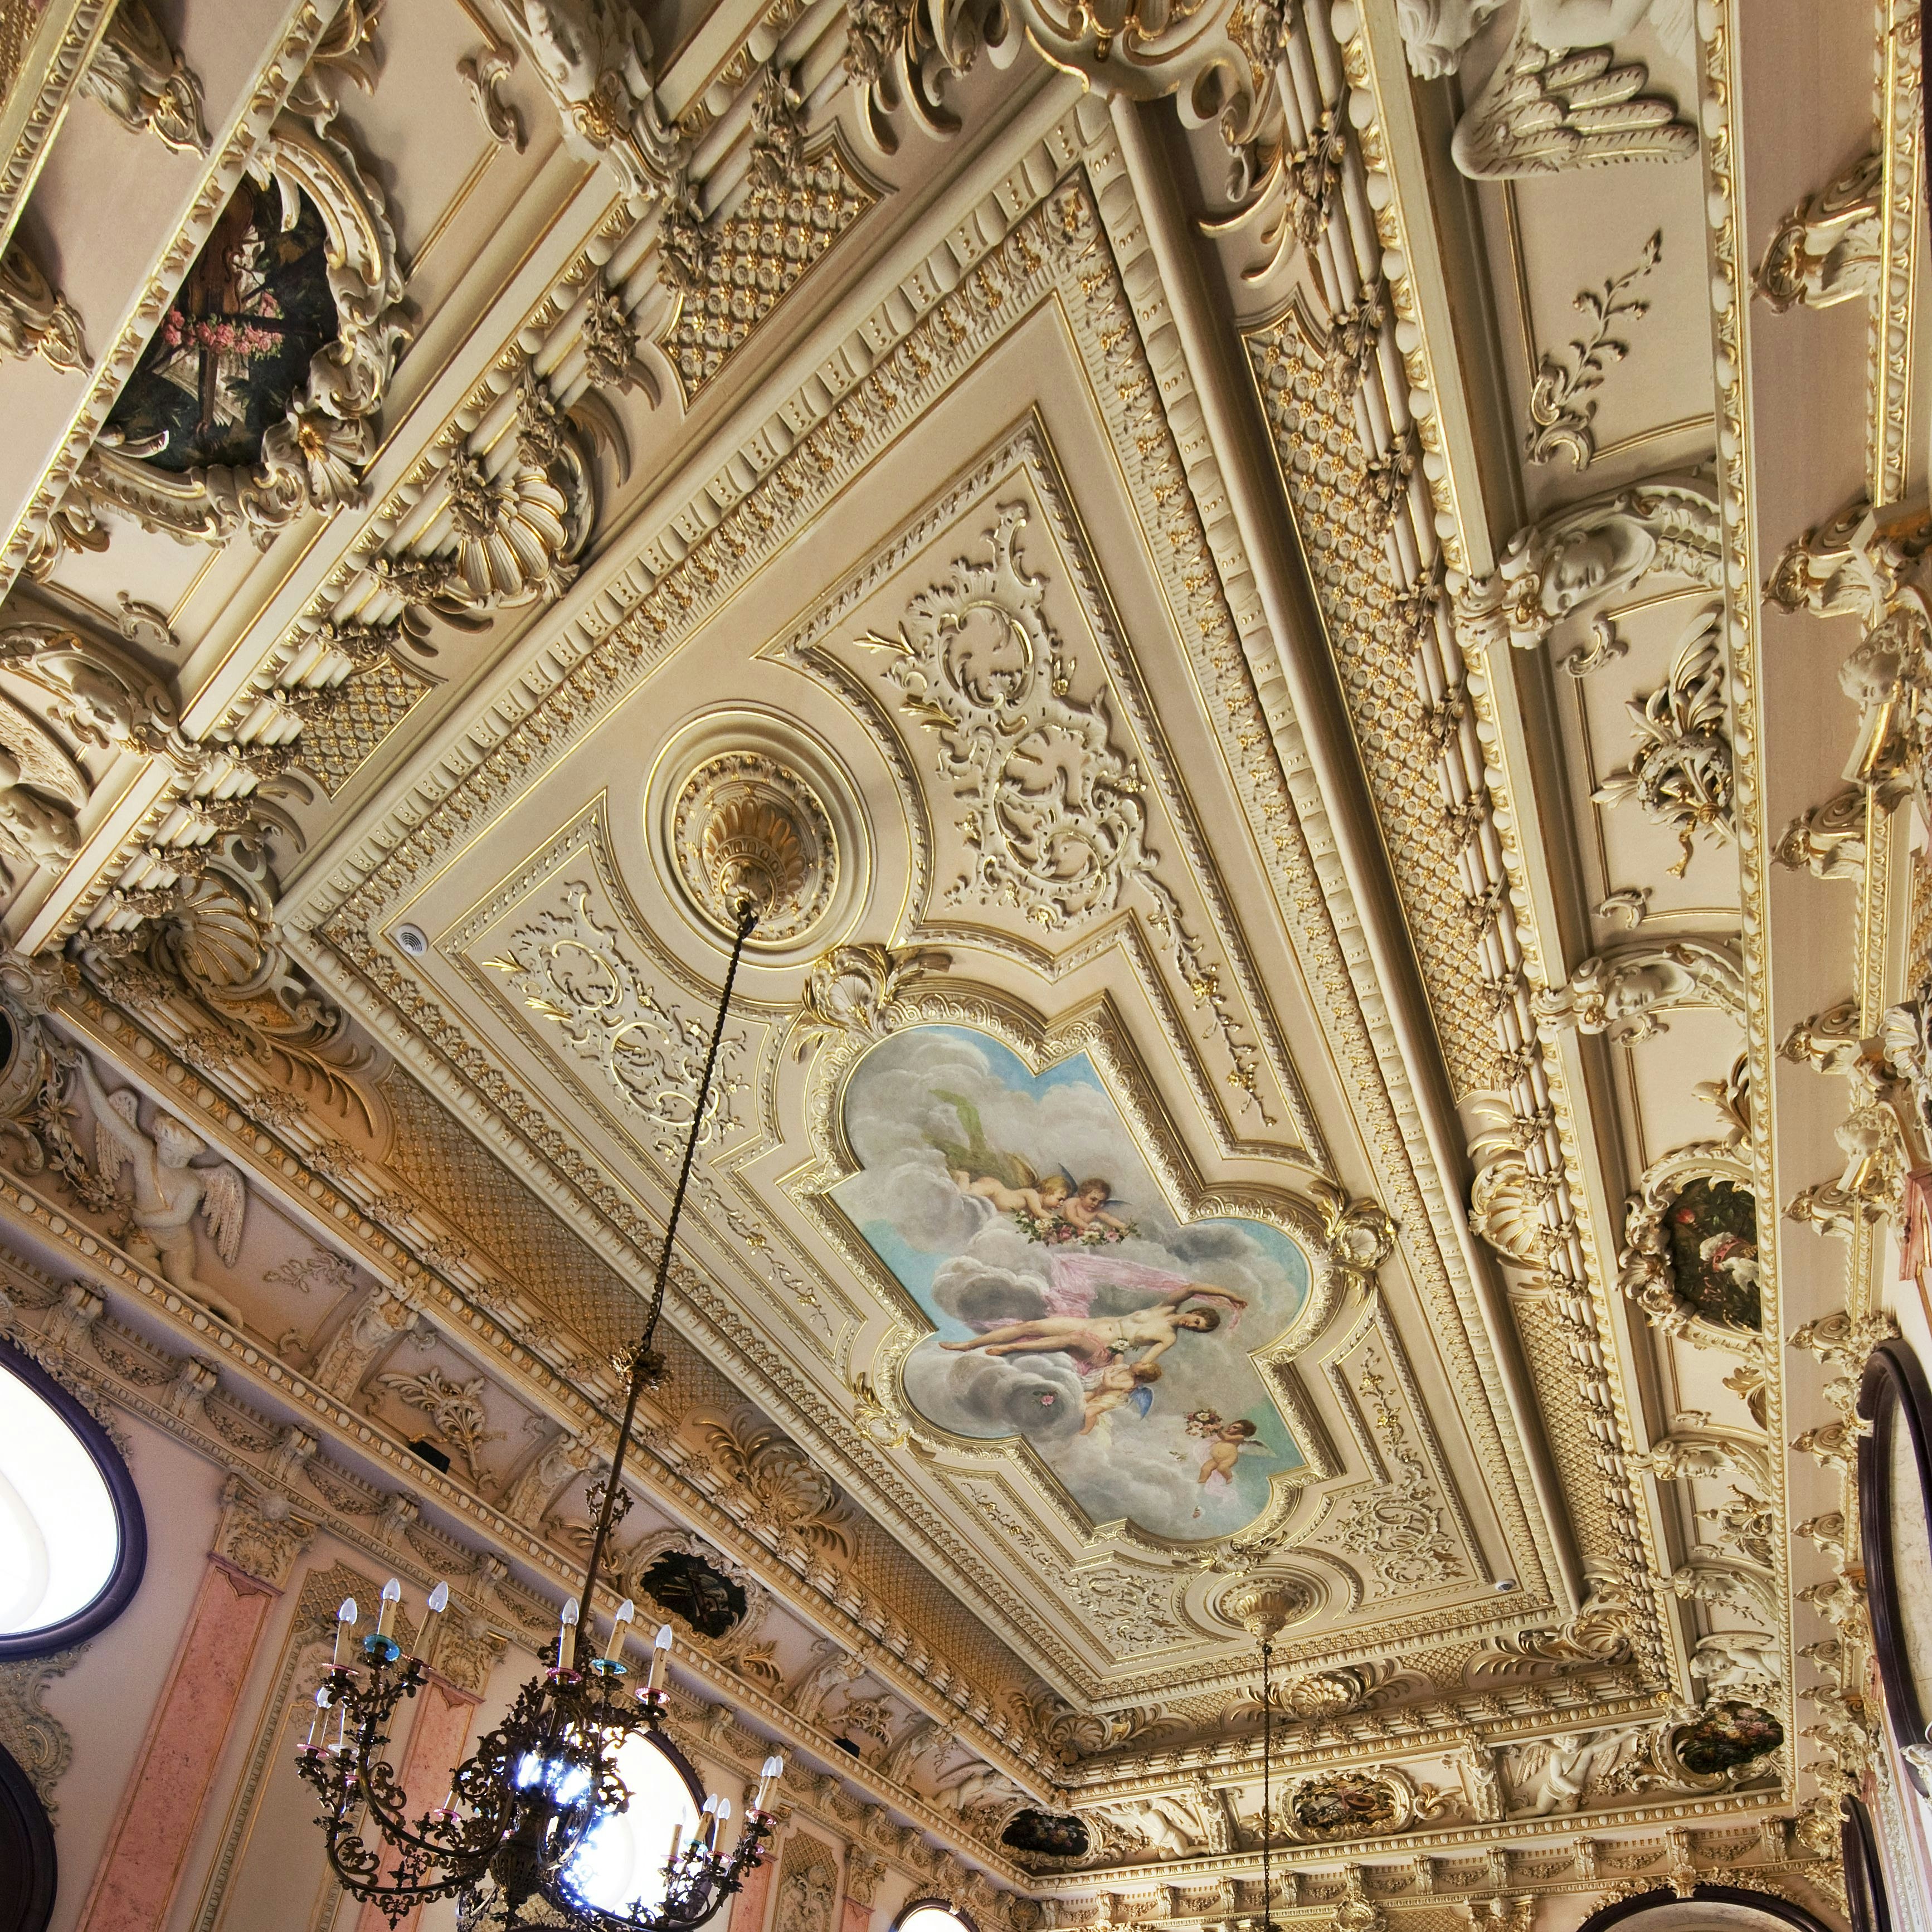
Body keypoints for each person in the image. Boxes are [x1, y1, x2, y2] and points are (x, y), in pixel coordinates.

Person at [938, 1282, 1242, 1371]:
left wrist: (1133, 1367)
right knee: (1029, 1324)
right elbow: (1191, 1286)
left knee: (1071, 1337)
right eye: (1198, 1320)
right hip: (1094, 1325)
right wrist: (1230, 1294)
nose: (1193, 1325)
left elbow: (1145, 1363)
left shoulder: (1168, 1337)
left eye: (1198, 1328)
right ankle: (966, 1345)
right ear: (1197, 1311)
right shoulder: (1165, 1309)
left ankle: (1010, 1348)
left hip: (1101, 1349)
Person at [1079, 1359, 1161, 1434]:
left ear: (1138, 1373)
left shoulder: (1130, 1382)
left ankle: (1087, 1429)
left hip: (1107, 1401)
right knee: (1079, 1400)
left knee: (1089, 1412)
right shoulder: (1124, 1369)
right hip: (1099, 1393)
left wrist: (1107, 1373)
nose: (1140, 1362)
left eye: (1143, 1365)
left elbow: (1109, 1385)